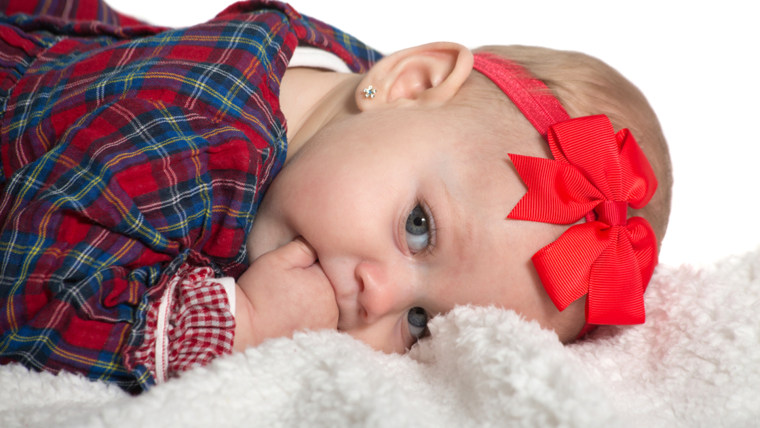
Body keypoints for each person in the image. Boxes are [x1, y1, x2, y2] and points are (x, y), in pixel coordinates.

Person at [0, 0, 673, 393]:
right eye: (417, 227)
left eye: (419, 323)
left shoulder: (364, 104)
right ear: (410, 80)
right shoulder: (193, 147)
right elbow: (34, 298)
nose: (377, 297)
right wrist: (245, 321)